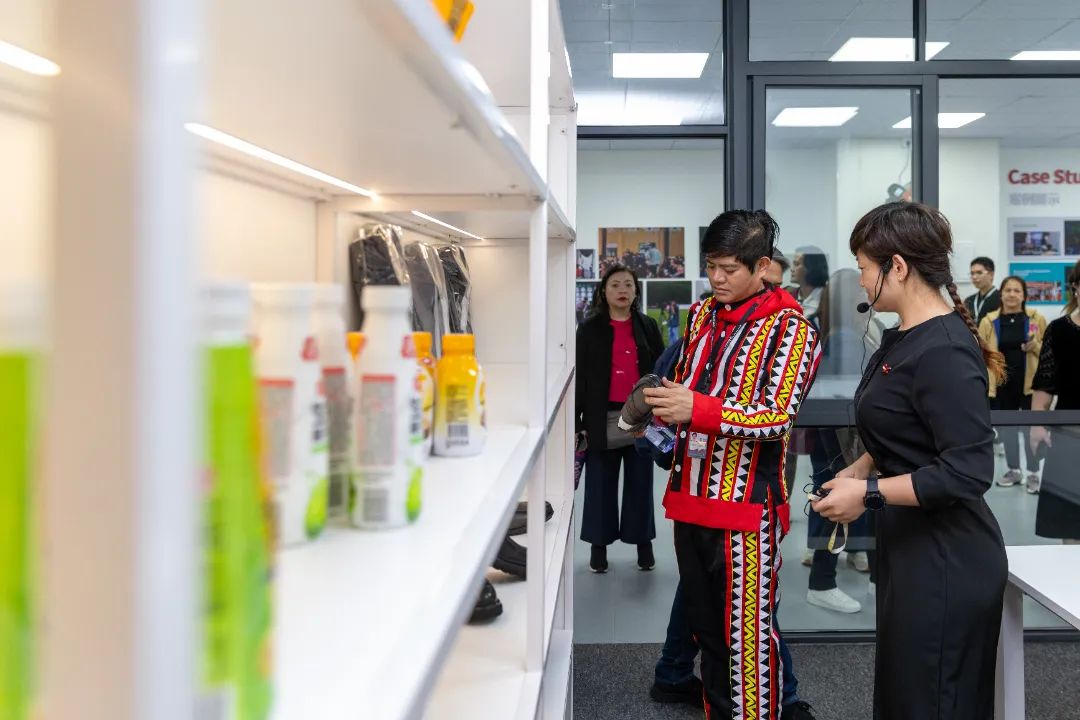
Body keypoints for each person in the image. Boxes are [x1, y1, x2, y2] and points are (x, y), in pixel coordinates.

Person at [813, 201, 1007, 720]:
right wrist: (863, 465)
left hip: (947, 560)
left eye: (863, 268)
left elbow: (967, 471)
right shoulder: (905, 336)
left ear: (896, 267)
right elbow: (909, 425)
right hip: (912, 550)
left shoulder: (943, 350)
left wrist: (869, 494)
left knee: (933, 702)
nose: (860, 281)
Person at [643, 209, 823, 719]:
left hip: (746, 512)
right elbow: (685, 380)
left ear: (762, 266)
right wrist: (658, 414)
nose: (717, 278)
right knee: (708, 636)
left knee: (748, 644)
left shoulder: (792, 330)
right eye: (711, 266)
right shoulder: (703, 314)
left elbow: (776, 416)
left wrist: (696, 408)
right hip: (689, 499)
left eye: (729, 268)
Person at [576, 264, 664, 573]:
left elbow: (661, 370)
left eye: (628, 284)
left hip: (641, 419)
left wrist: (663, 412)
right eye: (615, 285)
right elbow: (581, 377)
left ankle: (643, 547)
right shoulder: (589, 329)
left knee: (640, 486)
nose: (622, 290)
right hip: (601, 418)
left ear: (636, 291)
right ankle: (598, 549)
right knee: (599, 487)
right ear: (604, 291)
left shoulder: (647, 326)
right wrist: (578, 424)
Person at [978, 275, 1047, 489]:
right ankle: (1014, 470)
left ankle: (1033, 473)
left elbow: (1048, 352)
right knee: (1007, 430)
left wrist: (1035, 346)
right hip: (1001, 385)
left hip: (1029, 385)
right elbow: (979, 352)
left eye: (1017, 290)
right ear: (1001, 294)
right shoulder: (989, 321)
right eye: (1008, 290)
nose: (1012, 294)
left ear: (1024, 295)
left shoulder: (1036, 319)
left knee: (1030, 429)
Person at [1030, 260, 1080, 543]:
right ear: (1075, 287)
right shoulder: (1059, 330)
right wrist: (1037, 426)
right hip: (1069, 432)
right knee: (1069, 520)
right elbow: (1044, 384)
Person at [791, 246, 830, 327]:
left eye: (797, 264)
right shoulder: (790, 295)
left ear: (811, 267)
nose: (792, 269)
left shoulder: (828, 297)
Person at [965, 256, 1000, 326]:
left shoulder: (1001, 299)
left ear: (991, 274)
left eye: (979, 272)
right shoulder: (969, 300)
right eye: (972, 273)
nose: (974, 277)